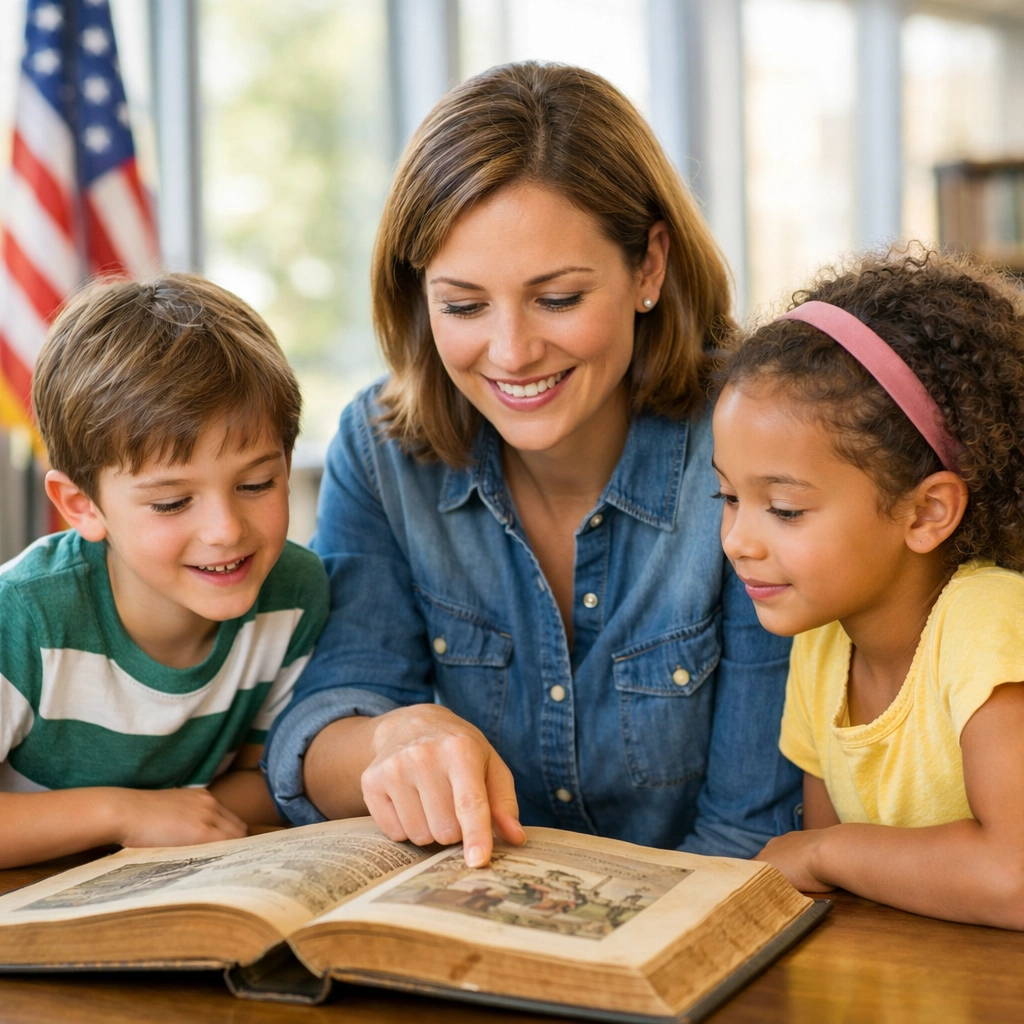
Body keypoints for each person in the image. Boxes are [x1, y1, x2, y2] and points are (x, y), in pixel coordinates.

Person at [264, 61, 800, 866]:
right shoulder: (383, 451)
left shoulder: (753, 444)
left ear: (648, 267)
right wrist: (394, 736)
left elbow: (752, 836)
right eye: (464, 306)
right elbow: (316, 736)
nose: (511, 353)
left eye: (557, 299)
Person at [711, 247, 1024, 928]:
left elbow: (1016, 874)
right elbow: (834, 900)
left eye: (785, 510)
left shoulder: (987, 620)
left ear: (926, 512)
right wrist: (824, 859)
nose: (737, 539)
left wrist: (829, 852)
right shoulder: (821, 645)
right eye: (728, 496)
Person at [0, 274, 329, 869]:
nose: (226, 529)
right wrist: (124, 813)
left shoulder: (294, 594)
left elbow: (270, 778)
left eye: (256, 484)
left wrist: (171, 817)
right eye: (172, 502)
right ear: (82, 506)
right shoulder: (22, 616)